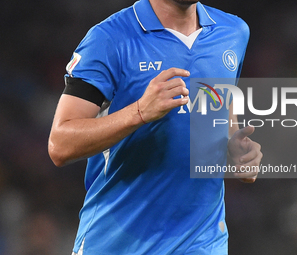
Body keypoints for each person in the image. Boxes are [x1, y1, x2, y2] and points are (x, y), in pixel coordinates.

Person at [48, 0, 262, 254]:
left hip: (202, 240)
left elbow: (220, 107)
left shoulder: (233, 31)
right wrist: (139, 112)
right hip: (119, 241)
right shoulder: (108, 39)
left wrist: (235, 150)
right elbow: (59, 144)